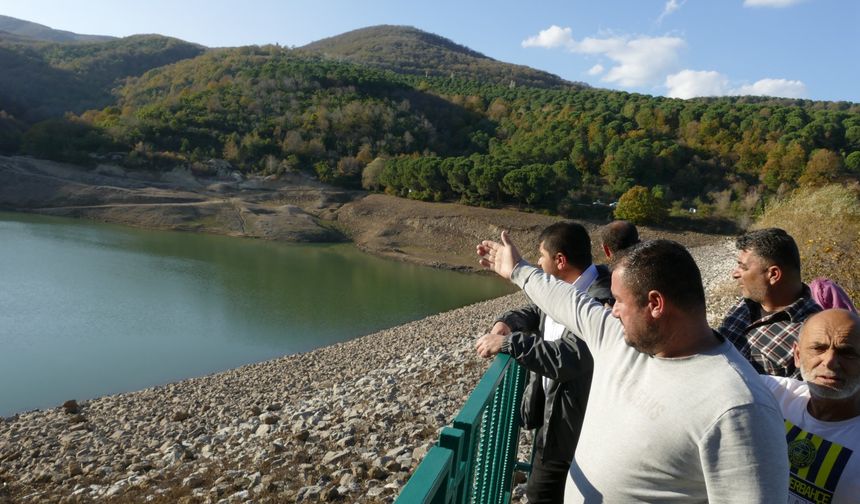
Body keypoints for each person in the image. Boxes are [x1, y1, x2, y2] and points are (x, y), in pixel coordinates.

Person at [477, 232, 788, 502]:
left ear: (655, 304)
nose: (611, 312)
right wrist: (518, 270)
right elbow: (569, 301)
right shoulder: (620, 341)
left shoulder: (739, 408)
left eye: (618, 301)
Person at [475, 222, 611, 504]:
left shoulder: (601, 298)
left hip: (570, 433)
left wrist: (508, 344)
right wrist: (507, 323)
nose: (537, 263)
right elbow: (537, 310)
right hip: (556, 420)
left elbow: (569, 357)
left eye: (541, 257)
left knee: (541, 495)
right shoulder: (567, 288)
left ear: (560, 260)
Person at [762, 309, 860, 503]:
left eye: (847, 353)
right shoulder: (773, 394)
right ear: (797, 355)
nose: (830, 361)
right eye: (818, 348)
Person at [719, 228, 822, 378]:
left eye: (743, 267)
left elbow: (797, 398)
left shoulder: (813, 333)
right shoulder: (745, 303)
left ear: (773, 275)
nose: (735, 274)